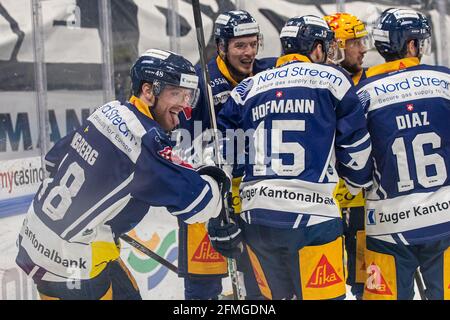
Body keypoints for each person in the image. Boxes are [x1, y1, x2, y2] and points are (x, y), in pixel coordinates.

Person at [15, 49, 230, 300]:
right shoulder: (144, 139)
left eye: (188, 95)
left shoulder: (108, 111)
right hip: (73, 266)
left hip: (34, 241)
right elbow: (200, 204)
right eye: (176, 93)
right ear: (148, 91)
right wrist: (216, 175)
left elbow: (53, 161)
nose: (184, 104)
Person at [216, 15, 372, 300]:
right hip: (312, 219)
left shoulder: (247, 87)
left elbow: (224, 153)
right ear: (316, 47)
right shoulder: (333, 78)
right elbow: (356, 149)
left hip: (257, 216)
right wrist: (357, 182)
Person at [176, 10, 276, 300]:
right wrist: (210, 201)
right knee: (202, 286)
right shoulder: (200, 84)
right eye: (240, 46)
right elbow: (183, 143)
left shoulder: (267, 74)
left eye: (253, 44)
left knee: (259, 285)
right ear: (221, 46)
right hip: (210, 194)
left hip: (253, 195)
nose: (249, 53)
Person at [355, 8, 450, 300]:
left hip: (387, 224)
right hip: (444, 218)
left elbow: (354, 160)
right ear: (411, 45)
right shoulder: (445, 81)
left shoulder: (362, 93)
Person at [324, 12, 372, 300]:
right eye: (354, 42)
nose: (363, 48)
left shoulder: (374, 83)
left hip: (362, 202)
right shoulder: (313, 87)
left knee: (365, 285)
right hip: (321, 202)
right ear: (335, 47)